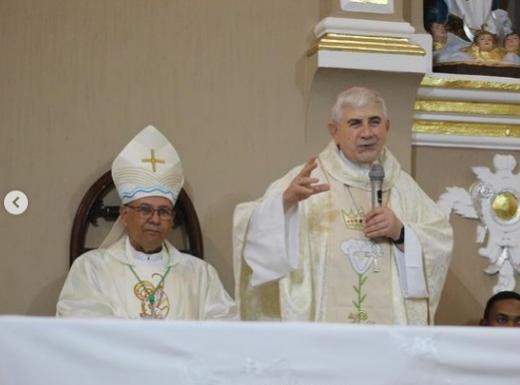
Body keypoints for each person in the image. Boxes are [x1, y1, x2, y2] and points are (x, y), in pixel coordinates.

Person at [233, 87, 453, 325]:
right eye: (355, 123)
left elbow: (439, 238)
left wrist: (401, 232)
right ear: (334, 131)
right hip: (321, 328)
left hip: (388, 334)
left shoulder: (402, 186)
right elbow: (247, 224)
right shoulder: (307, 179)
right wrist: (284, 204)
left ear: (387, 127)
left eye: (375, 122)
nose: (367, 133)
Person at [57, 125, 237, 320]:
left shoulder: (200, 275)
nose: (155, 219)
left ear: (172, 219)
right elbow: (81, 328)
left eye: (163, 211)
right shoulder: (91, 268)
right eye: (145, 210)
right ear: (124, 215)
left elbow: (224, 331)